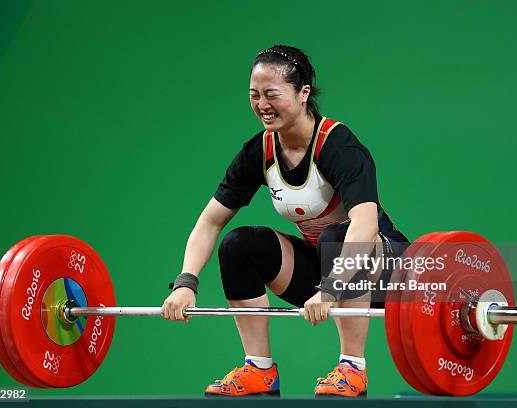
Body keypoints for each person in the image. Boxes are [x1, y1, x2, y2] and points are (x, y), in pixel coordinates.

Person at [161, 44, 408, 398]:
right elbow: (210, 222)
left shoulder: (338, 145)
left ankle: (353, 368)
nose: (262, 104)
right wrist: (187, 282)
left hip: (390, 269)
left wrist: (331, 287)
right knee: (240, 244)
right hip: (326, 273)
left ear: (303, 93)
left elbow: (365, 226)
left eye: (272, 94)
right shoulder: (259, 151)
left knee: (336, 239)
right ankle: (259, 369)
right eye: (254, 95)